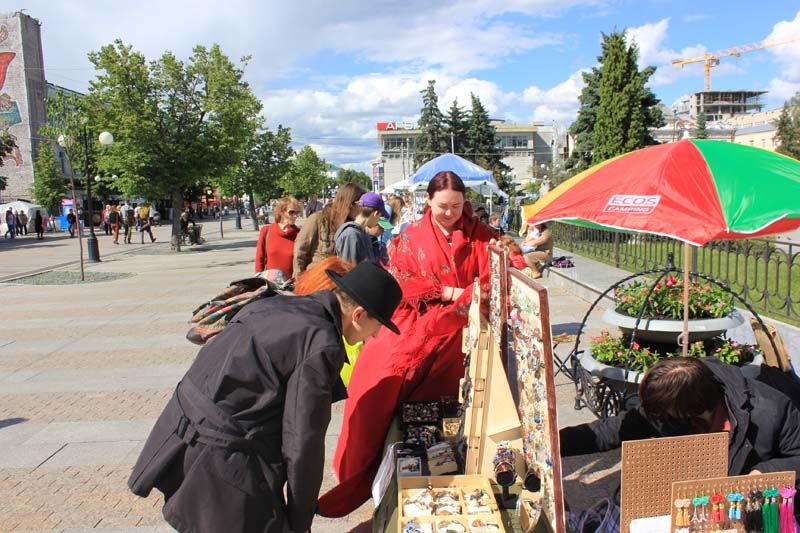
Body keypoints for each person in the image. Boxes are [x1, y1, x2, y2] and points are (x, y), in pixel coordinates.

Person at [128, 261, 402, 533]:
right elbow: (303, 442)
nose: (376, 334)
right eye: (378, 324)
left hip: (181, 429)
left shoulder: (280, 304)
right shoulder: (321, 343)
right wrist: (300, 520)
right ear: (358, 315)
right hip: (220, 455)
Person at [319, 171, 494, 516]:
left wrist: (469, 298)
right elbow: (401, 283)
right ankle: (363, 475)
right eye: (443, 206)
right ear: (428, 201)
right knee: (378, 382)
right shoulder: (411, 237)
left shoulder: (485, 237)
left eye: (457, 205)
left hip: (467, 332)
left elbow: (499, 279)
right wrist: (447, 293)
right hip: (416, 323)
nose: (450, 213)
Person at [560, 357, 800, 493]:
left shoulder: (771, 409)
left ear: (691, 408)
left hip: (745, 500)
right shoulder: (672, 400)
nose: (656, 415)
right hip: (689, 493)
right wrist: (554, 443)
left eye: (664, 411)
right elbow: (610, 430)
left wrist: (762, 473)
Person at [293, 183, 366, 275]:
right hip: (317, 277)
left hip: (341, 278)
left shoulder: (355, 227)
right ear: (350, 204)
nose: (363, 209)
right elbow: (300, 250)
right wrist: (298, 278)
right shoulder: (318, 219)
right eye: (361, 204)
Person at [254, 196, 301, 279]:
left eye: (297, 212)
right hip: (270, 283)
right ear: (281, 212)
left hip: (292, 283)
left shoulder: (299, 234)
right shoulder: (266, 231)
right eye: (291, 212)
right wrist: (258, 281)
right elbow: (259, 259)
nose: (295, 216)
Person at [334, 192, 386, 265]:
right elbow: (348, 267)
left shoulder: (361, 233)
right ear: (376, 213)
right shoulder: (351, 235)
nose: (378, 221)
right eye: (380, 216)